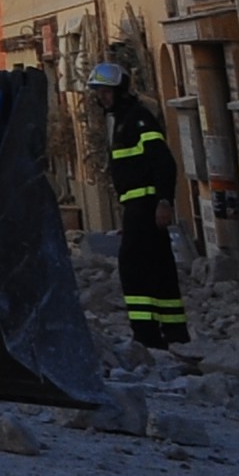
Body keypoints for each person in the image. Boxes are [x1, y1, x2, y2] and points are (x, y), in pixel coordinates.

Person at [93, 60, 187, 348]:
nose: (102, 97)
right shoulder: (121, 121)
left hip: (144, 204)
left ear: (120, 90)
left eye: (106, 91)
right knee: (160, 265)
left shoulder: (137, 119)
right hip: (137, 207)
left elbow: (164, 162)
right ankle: (174, 331)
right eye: (99, 92)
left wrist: (163, 202)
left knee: (133, 266)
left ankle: (145, 334)